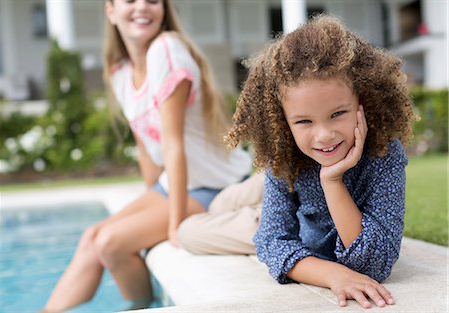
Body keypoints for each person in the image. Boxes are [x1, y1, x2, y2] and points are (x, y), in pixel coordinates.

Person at [43, 0, 251, 311]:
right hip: (174, 184)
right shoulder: (121, 73)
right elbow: (146, 149)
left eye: (153, 1)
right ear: (110, 10)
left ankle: (142, 306)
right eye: (130, 0)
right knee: (91, 237)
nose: (143, 7)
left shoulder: (166, 50)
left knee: (110, 242)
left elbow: (173, 146)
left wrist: (173, 222)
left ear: (164, 10)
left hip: (215, 185)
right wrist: (150, 202)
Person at [224, 15, 415, 309]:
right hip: (256, 216)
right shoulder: (284, 158)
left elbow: (375, 265)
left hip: (289, 210)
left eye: (338, 113)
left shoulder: (384, 156)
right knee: (193, 231)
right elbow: (272, 240)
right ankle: (233, 197)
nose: (324, 136)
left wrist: (332, 180)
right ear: (284, 123)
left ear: (363, 104)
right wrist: (332, 274)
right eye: (303, 121)